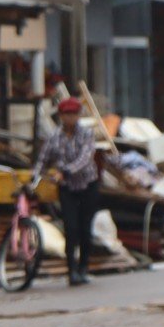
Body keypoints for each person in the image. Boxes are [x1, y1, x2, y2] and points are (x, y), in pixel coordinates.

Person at [31, 96, 106, 286]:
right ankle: (71, 270)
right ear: (61, 116)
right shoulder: (54, 137)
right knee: (71, 229)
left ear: (79, 115)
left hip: (88, 185)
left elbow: (86, 158)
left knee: (85, 229)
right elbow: (43, 159)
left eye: (73, 114)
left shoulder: (86, 134)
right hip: (67, 189)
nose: (70, 118)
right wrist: (34, 177)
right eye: (66, 114)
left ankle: (83, 268)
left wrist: (65, 171)